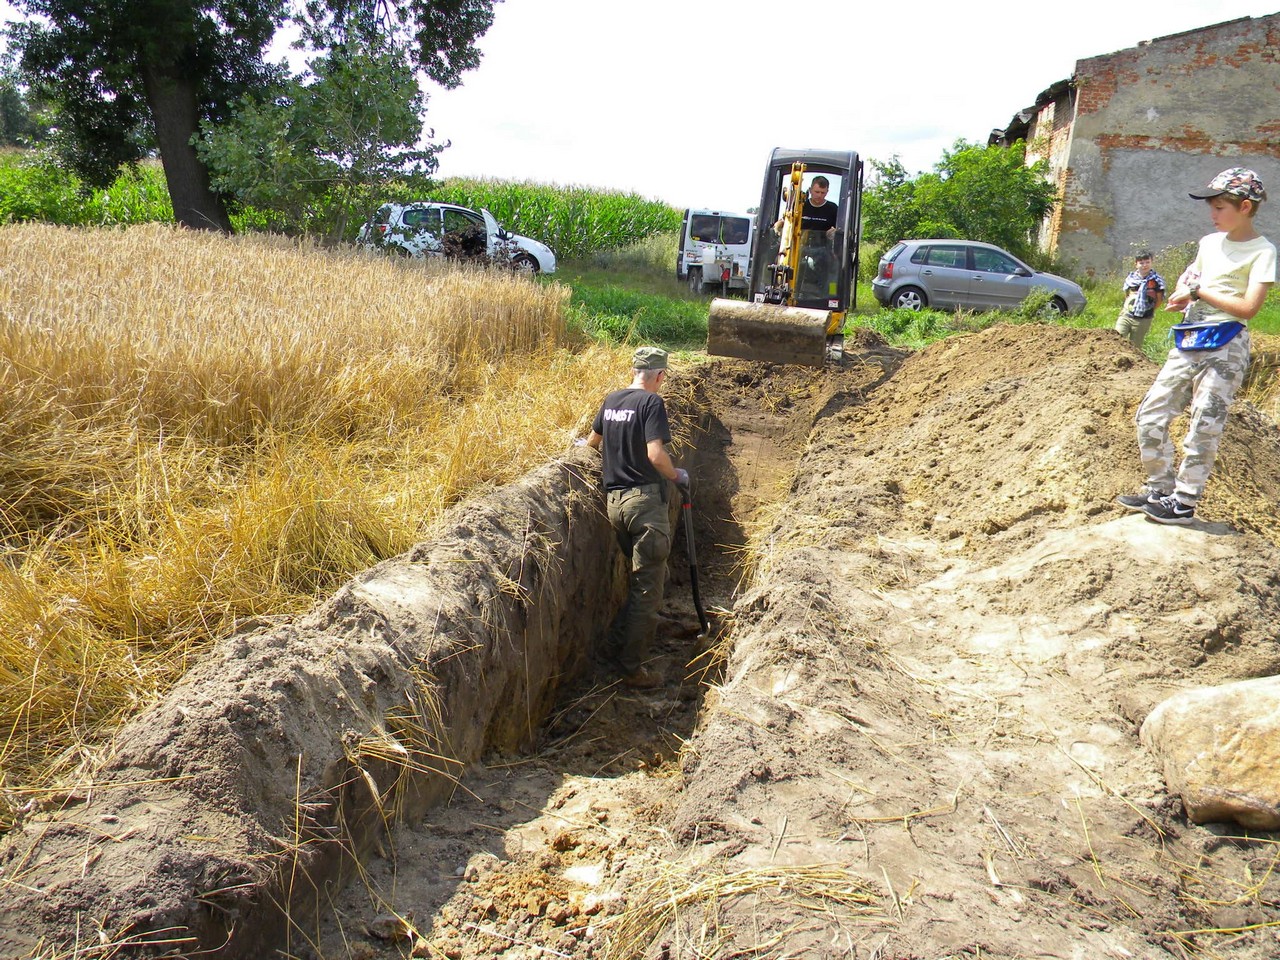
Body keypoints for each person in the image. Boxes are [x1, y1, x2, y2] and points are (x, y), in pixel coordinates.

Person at [1117, 167, 1276, 525]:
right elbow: (1191, 277)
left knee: (1205, 422)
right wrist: (1181, 294)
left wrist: (1199, 292)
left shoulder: (1262, 251)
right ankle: (1160, 488)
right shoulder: (1208, 243)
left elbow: (1249, 307)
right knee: (1151, 414)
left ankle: (1184, 502)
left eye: (1220, 207)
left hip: (1227, 342)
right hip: (1190, 336)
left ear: (1245, 207)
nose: (1212, 214)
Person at [586, 347, 689, 688]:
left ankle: (614, 645)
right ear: (659, 376)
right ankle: (631, 668)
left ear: (634, 370)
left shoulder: (611, 399)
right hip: (644, 506)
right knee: (647, 590)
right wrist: (677, 477)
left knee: (640, 581)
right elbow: (655, 454)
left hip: (615, 505)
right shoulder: (651, 404)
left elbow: (591, 443)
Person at [1114, 250, 1166, 349]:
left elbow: (1159, 300)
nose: (1144, 265)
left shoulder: (1156, 281)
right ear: (1136, 264)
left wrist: (1148, 310)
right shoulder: (1131, 278)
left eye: (1147, 262)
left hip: (1143, 319)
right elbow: (1127, 295)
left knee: (1135, 348)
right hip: (1126, 315)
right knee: (1116, 340)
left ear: (1152, 262)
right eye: (1141, 263)